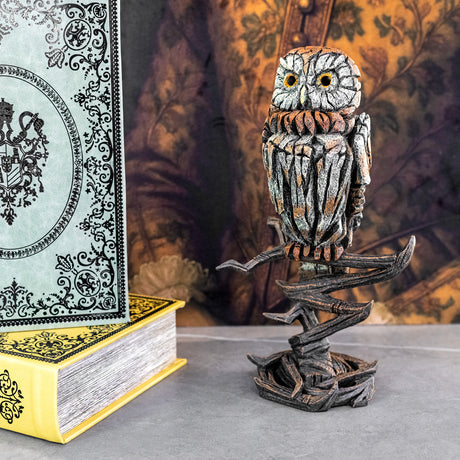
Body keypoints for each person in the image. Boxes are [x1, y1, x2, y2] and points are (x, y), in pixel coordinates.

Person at [126, 0, 460, 325]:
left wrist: (400, 325)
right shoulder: (275, 139)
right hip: (233, 321)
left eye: (325, 82)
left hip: (397, 320)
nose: (305, 98)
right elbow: (156, 164)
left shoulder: (353, 137)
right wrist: (182, 312)